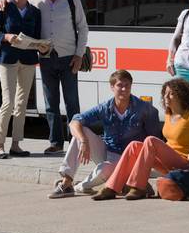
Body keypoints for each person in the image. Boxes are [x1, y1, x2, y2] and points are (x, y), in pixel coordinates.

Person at [94, 78, 189, 201]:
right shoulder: (168, 114)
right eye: (165, 93)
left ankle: (138, 187)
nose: (166, 97)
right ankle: (111, 188)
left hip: (184, 163)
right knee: (133, 145)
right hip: (167, 163)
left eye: (171, 94)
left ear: (182, 96)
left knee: (150, 140)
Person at [49, 69, 160, 198]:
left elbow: (153, 141)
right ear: (112, 87)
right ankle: (66, 181)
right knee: (81, 131)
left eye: (127, 85)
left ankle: (79, 187)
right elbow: (75, 121)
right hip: (109, 153)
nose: (124, 89)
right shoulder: (105, 107)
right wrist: (84, 141)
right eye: (120, 85)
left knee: (104, 169)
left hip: (132, 159)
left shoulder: (144, 109)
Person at [27, 0, 89, 154]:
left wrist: (79, 55)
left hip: (69, 58)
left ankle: (76, 141)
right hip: (46, 58)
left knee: (72, 102)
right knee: (50, 103)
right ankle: (56, 142)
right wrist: (5, 0)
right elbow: (18, 7)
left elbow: (83, 28)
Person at [0, 0, 42, 158]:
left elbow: (37, 35)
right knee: (8, 102)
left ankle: (16, 144)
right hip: (8, 58)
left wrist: (41, 45)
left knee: (22, 104)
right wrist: (6, 37)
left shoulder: (35, 12)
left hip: (28, 60)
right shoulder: (4, 7)